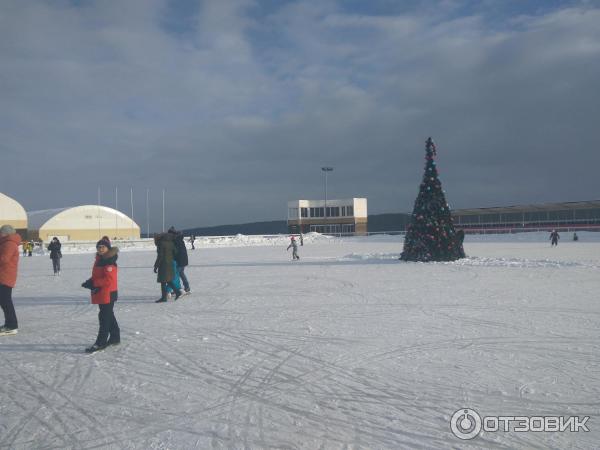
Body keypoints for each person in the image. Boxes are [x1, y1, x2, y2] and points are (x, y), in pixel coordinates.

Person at [81, 237, 120, 353]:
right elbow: (97, 276)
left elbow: (108, 280)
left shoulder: (109, 261)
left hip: (108, 293)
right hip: (102, 293)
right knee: (108, 315)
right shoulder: (99, 259)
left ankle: (100, 342)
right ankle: (115, 337)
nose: (100, 249)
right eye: (98, 247)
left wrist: (94, 283)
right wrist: (90, 281)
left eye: (103, 247)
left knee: (104, 318)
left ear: (108, 248)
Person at [0, 225, 21, 336]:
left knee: (5, 301)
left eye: (1, 232)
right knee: (4, 301)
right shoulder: (6, 243)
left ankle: (12, 325)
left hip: (5, 276)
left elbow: (4, 259)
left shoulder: (9, 243)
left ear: (6, 233)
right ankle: (10, 324)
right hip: (4, 275)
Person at [154, 232, 183, 302]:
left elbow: (160, 256)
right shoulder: (171, 243)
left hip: (163, 264)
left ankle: (167, 296)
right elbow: (175, 252)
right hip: (170, 263)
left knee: (163, 280)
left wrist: (156, 266)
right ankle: (174, 293)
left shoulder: (161, 244)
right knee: (167, 280)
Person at [169, 227, 191, 294]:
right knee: (181, 273)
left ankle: (178, 289)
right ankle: (186, 287)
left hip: (180, 260)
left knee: (176, 275)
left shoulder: (176, 240)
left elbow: (176, 252)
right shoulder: (179, 239)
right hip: (183, 260)